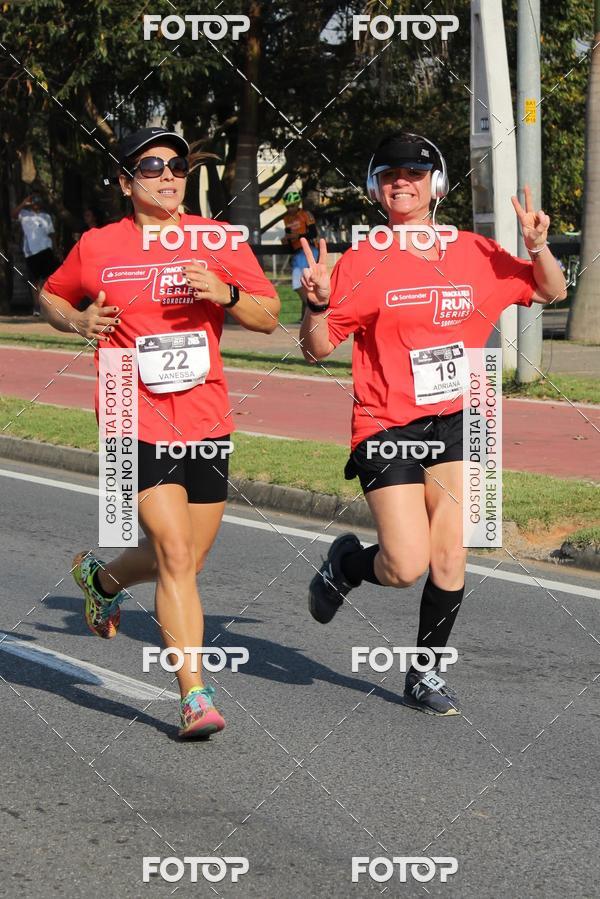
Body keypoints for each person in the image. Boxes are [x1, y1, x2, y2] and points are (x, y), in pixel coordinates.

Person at [299, 131, 566, 716]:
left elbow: (551, 289)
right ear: (376, 188)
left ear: (436, 185)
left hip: (459, 420)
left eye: (415, 174)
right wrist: (316, 302)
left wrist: (538, 245)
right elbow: (317, 348)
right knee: (404, 565)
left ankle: (424, 674)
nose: (403, 182)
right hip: (387, 425)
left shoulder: (475, 253)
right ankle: (345, 563)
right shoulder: (363, 261)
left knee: (450, 555)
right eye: (390, 173)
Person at [40, 127, 280, 738]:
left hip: (206, 417)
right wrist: (77, 320)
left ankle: (104, 578)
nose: (169, 176)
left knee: (187, 560)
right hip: (128, 411)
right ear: (126, 183)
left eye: (177, 166)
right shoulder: (98, 246)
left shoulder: (215, 238)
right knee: (174, 554)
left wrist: (225, 293)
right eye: (152, 166)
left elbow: (269, 316)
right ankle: (194, 695)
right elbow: (51, 296)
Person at [11, 193, 58, 315]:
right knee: (34, 281)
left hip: (46, 250)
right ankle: (37, 307)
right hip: (31, 252)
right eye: (34, 202)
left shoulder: (46, 216)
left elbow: (52, 234)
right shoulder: (24, 214)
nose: (36, 204)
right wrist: (23, 203)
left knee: (48, 280)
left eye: (38, 202)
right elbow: (13, 215)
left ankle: (47, 307)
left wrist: (56, 249)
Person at [281, 189, 319, 319]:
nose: (290, 208)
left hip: (309, 250)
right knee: (304, 285)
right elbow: (289, 237)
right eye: (287, 206)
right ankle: (306, 316)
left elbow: (314, 233)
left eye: (292, 205)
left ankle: (312, 306)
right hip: (297, 253)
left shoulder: (305, 215)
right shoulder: (286, 218)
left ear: (298, 204)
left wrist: (299, 235)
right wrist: (286, 240)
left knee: (298, 283)